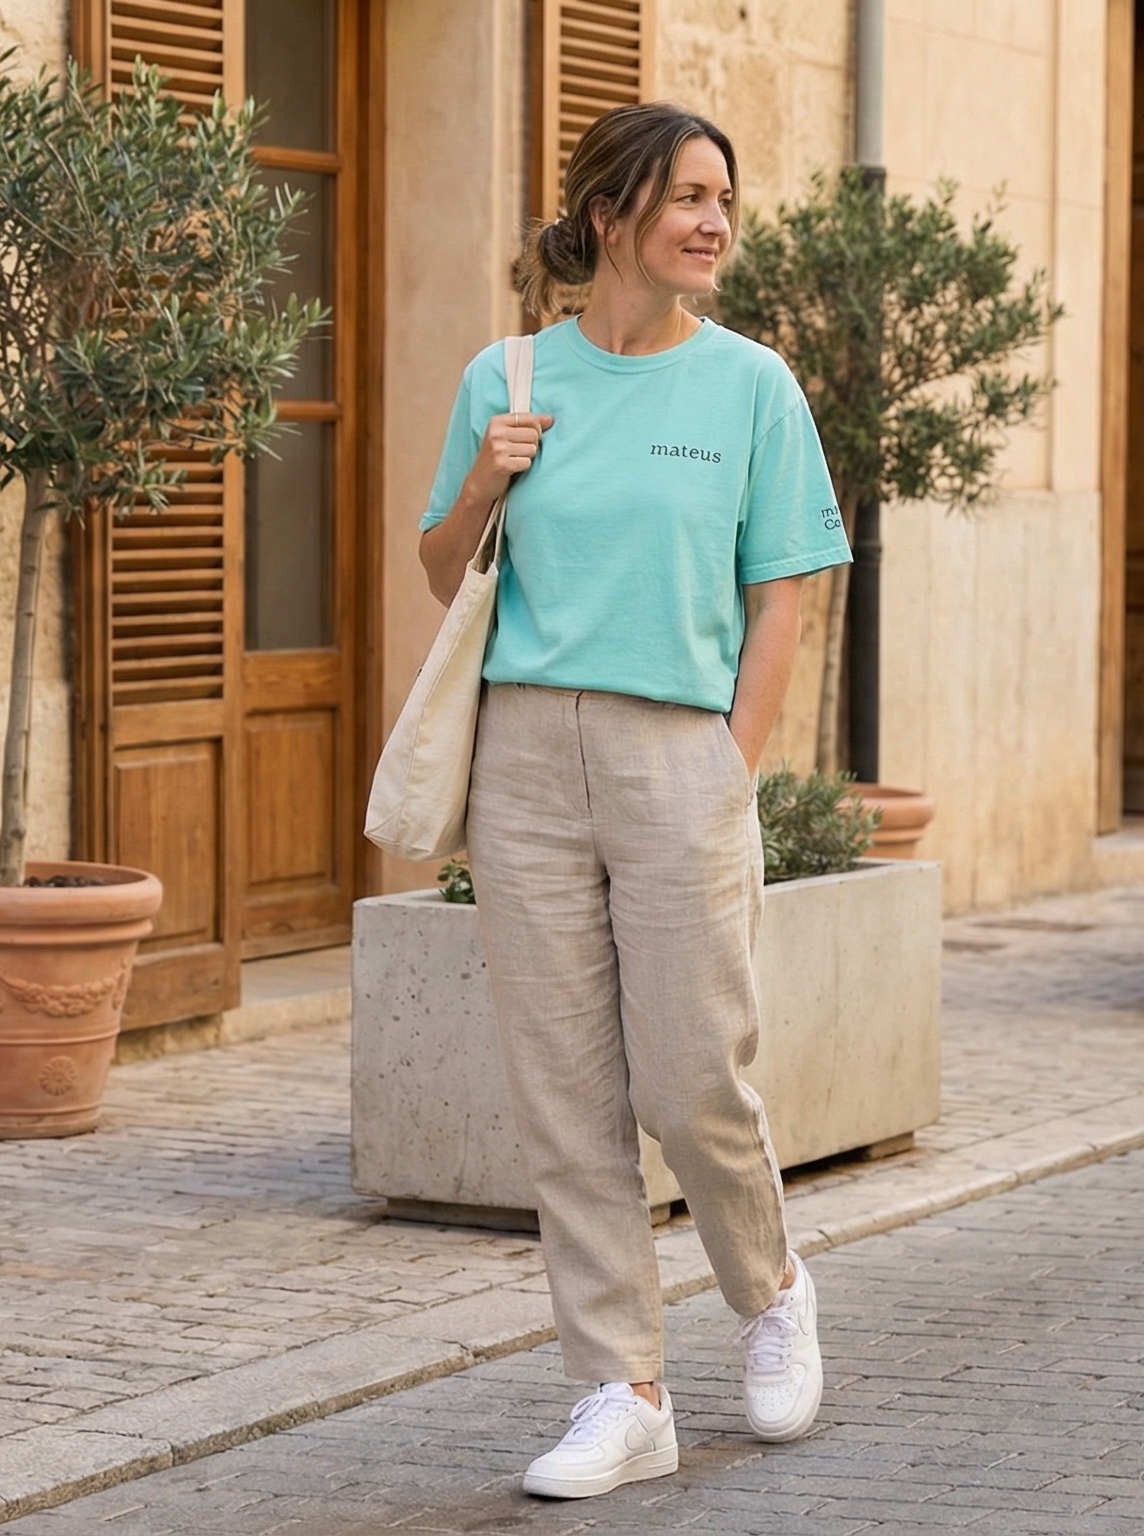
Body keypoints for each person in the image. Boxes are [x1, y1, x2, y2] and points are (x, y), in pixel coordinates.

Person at [417, 101, 852, 1500]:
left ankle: (770, 1285)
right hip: (527, 758)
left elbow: (782, 587)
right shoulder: (512, 374)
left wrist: (736, 755)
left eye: (726, 197)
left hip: (681, 754)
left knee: (689, 1076)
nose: (716, 222)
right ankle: (623, 1387)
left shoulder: (752, 389)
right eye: (689, 198)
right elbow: (440, 575)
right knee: (564, 1095)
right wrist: (488, 473)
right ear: (613, 215)